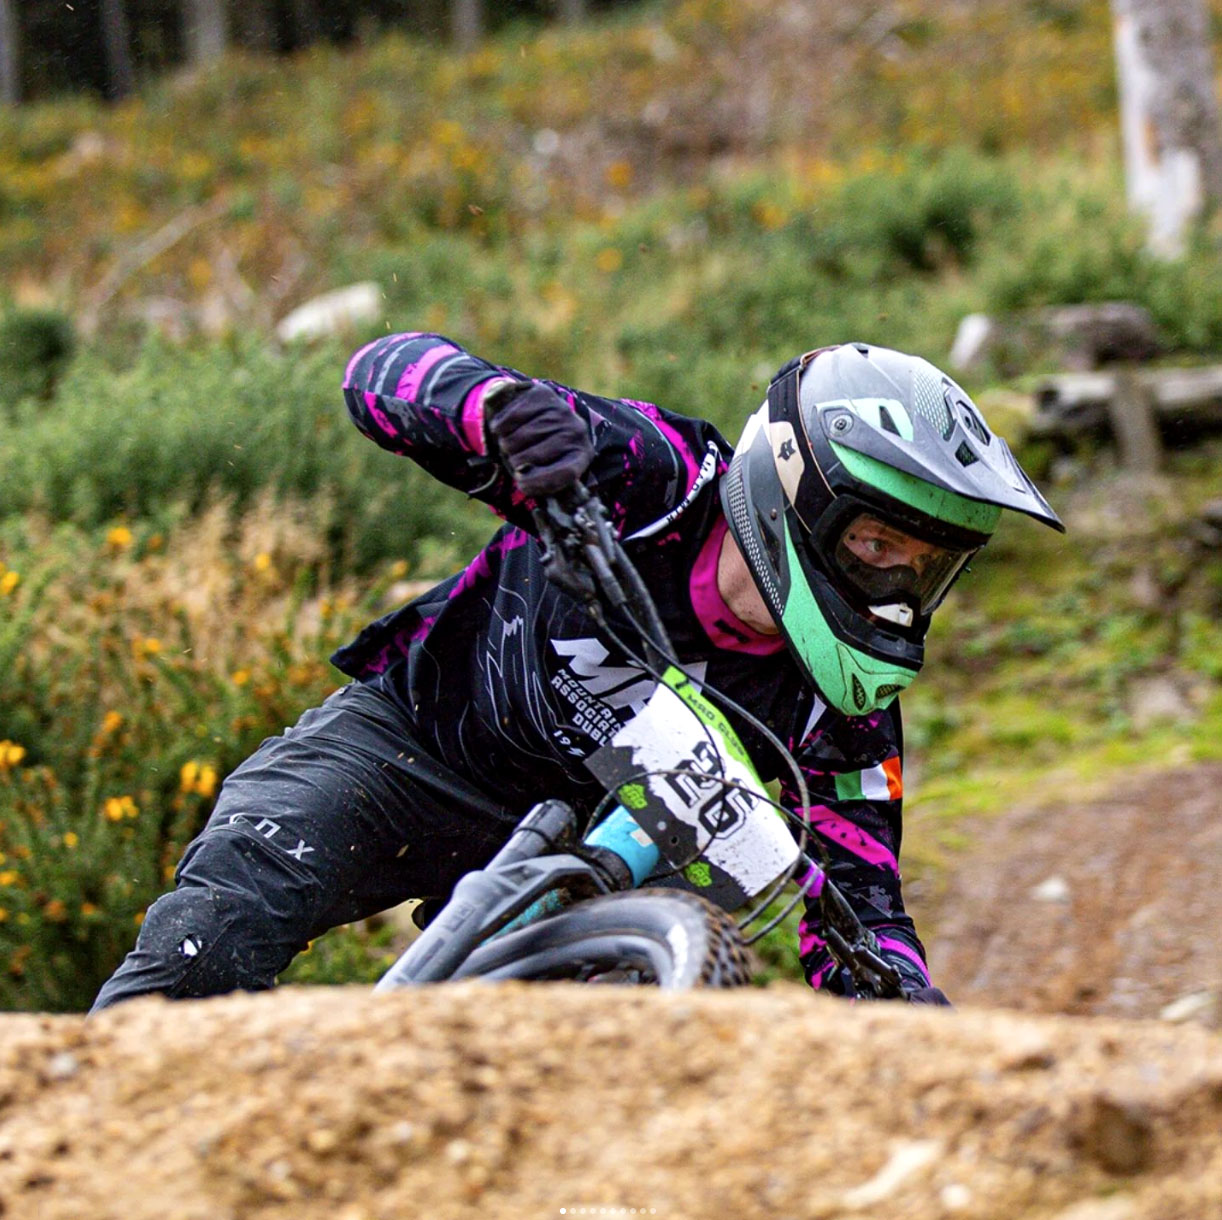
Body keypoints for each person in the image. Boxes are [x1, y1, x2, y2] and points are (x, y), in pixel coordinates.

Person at [91, 334, 1062, 1011]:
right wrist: (493, 409)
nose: (895, 580)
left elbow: (862, 908)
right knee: (214, 929)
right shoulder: (652, 476)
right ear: (798, 489)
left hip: (599, 867)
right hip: (408, 747)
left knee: (593, 1078)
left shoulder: (841, 708)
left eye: (923, 565)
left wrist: (931, 1047)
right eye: (877, 540)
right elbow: (377, 372)